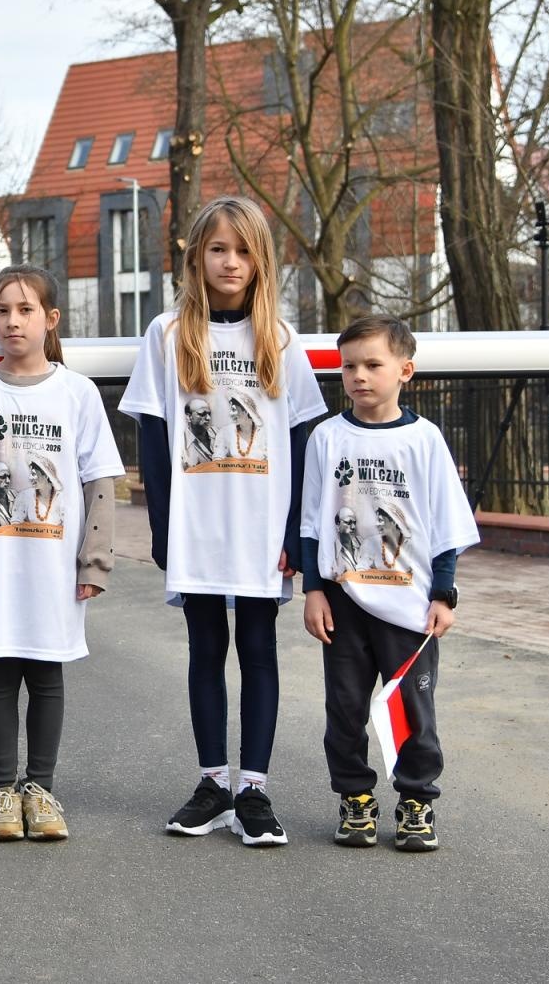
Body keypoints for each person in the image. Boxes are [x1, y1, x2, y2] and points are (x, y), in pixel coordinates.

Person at [120, 195, 327, 847]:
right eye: (217, 249)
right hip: (199, 527)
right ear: (196, 258)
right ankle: (213, 783)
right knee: (206, 649)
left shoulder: (282, 340)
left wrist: (297, 530)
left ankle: (253, 792)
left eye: (242, 250)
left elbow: (304, 438)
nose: (230, 261)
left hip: (262, 529)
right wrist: (161, 522)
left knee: (258, 649)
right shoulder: (168, 333)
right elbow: (154, 434)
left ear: (261, 259)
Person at [0, 264, 123, 841]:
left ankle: (42, 790)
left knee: (48, 673)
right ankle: (3, 793)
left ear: (50, 319)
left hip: (55, 568)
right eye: (3, 311)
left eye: (26, 309)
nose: (13, 321)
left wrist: (95, 560)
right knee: (0, 673)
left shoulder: (77, 393)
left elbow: (99, 483)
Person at [301, 315, 478, 851]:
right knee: (345, 712)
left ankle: (416, 802)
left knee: (411, 713)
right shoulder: (326, 438)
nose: (358, 375)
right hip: (344, 601)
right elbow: (312, 520)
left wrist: (443, 594)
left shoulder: (424, 441)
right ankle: (355, 800)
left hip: (408, 606)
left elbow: (445, 524)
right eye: (348, 365)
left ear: (405, 370)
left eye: (372, 365)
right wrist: (313, 590)